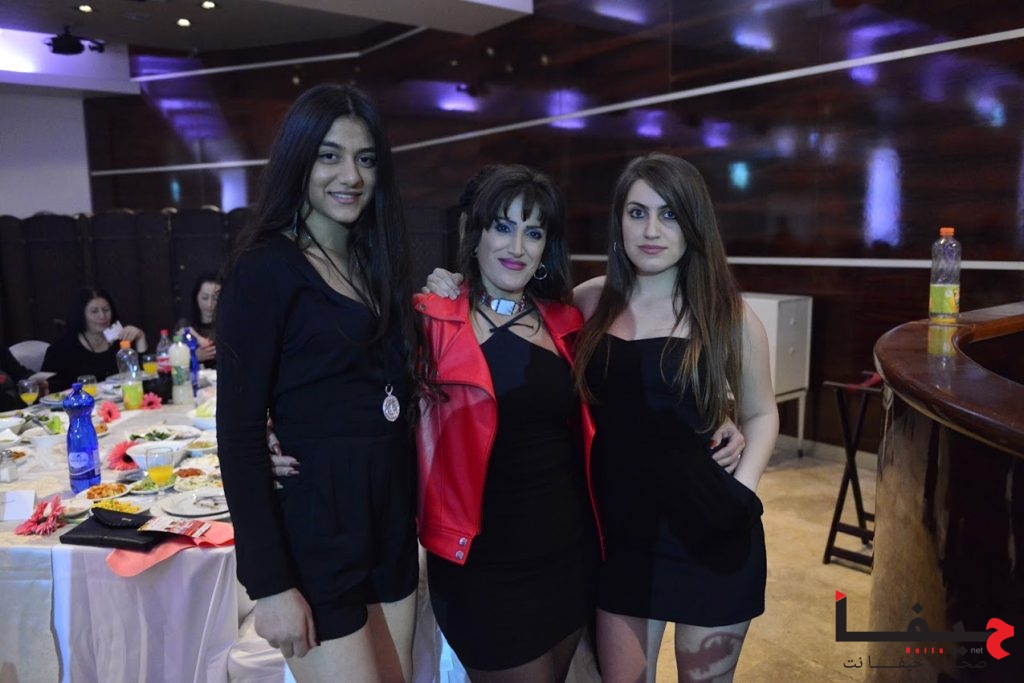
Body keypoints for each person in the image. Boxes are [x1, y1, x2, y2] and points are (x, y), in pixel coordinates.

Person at [216, 83, 425, 683]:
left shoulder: (376, 263)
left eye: (365, 158)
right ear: (299, 160)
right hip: (314, 528)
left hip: (387, 521)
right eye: (329, 156)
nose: (350, 176)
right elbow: (238, 432)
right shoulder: (264, 269)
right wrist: (269, 584)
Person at [572, 153, 778, 683]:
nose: (651, 231)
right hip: (623, 537)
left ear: (693, 223)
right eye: (637, 213)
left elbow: (761, 412)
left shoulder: (727, 314)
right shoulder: (589, 301)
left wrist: (742, 492)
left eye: (668, 214)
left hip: (712, 533)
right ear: (619, 220)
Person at [415, 164, 600, 682]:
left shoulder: (567, 322)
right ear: (474, 234)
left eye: (533, 232)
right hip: (482, 569)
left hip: (568, 556)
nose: (517, 246)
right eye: (503, 226)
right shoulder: (432, 319)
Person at [41, 287, 147, 391]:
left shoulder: (121, 339)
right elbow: (50, 389)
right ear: (81, 315)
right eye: (94, 311)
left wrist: (140, 337)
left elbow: (145, 377)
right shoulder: (61, 348)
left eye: (106, 310)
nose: (102, 316)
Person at [175, 273, 220, 366]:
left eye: (215, 298)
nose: (210, 304)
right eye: (205, 298)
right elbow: (173, 358)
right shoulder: (185, 323)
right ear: (196, 297)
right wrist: (193, 356)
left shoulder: (228, 325)